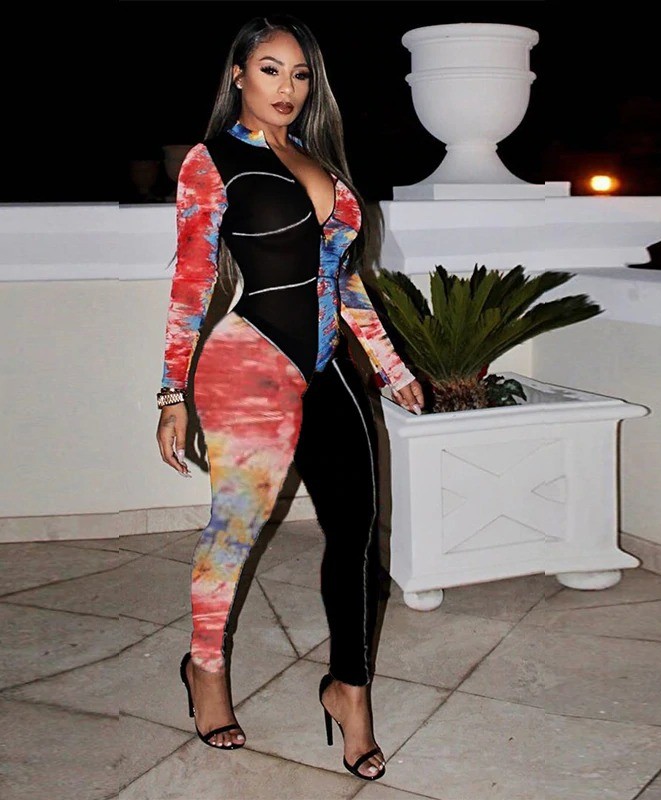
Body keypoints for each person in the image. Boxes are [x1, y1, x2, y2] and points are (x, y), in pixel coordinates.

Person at [155, 14, 425, 782]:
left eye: (301, 73)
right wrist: (172, 392)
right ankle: (206, 670)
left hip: (330, 367)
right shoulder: (212, 161)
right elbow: (192, 283)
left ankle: (350, 692)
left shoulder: (318, 158)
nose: (287, 87)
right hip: (249, 367)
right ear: (238, 74)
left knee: (357, 535)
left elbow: (345, 281)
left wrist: (390, 364)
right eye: (270, 69)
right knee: (235, 530)